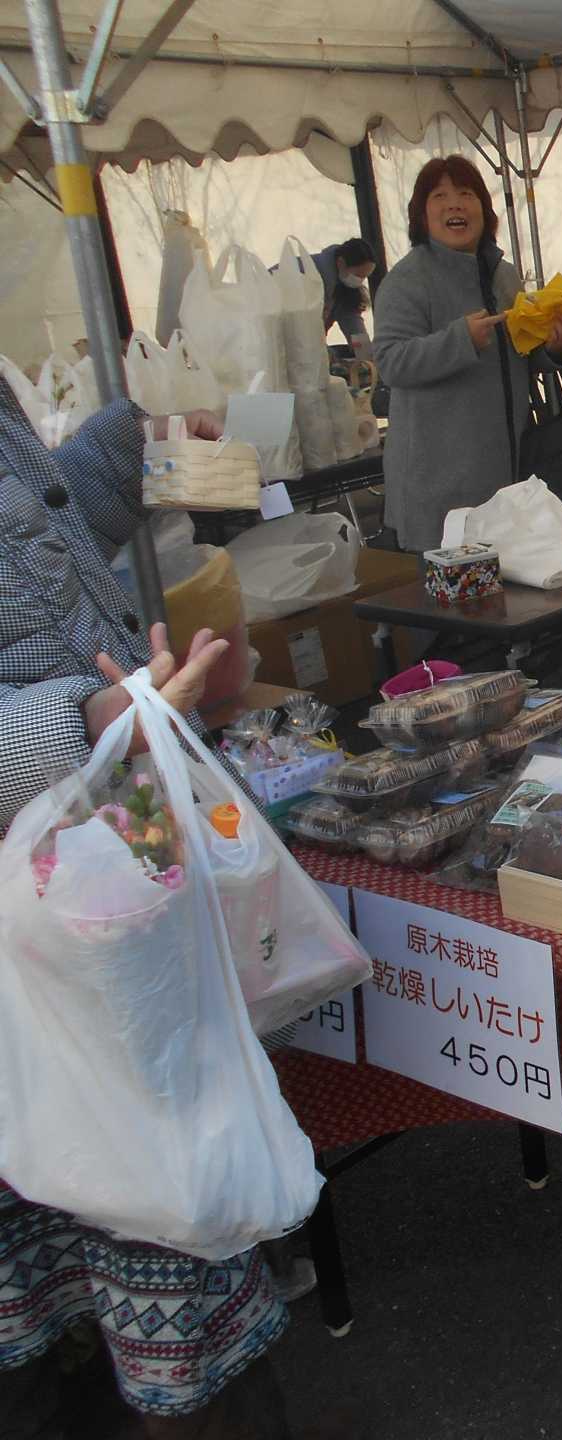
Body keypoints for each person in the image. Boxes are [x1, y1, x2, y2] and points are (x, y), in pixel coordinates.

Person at [0, 384, 298, 1438]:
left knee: (144, 1153)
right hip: (39, 875)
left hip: (98, 845)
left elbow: (36, 516)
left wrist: (139, 426)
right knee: (119, 1169)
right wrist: (78, 716)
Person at [372, 156, 562, 552]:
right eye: (440, 196)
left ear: (484, 208)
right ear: (421, 213)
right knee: (453, 598)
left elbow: (521, 353)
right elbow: (392, 362)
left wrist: (553, 347)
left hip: (508, 470)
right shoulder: (406, 281)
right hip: (436, 480)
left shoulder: (505, 275)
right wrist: (459, 339)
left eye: (466, 194)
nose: (455, 205)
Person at [313, 238, 377, 356]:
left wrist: (365, 353)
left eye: (364, 277)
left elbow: (350, 319)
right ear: (341, 263)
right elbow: (303, 333)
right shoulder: (310, 277)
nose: (360, 281)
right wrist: (329, 357)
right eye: (358, 275)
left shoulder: (342, 285)